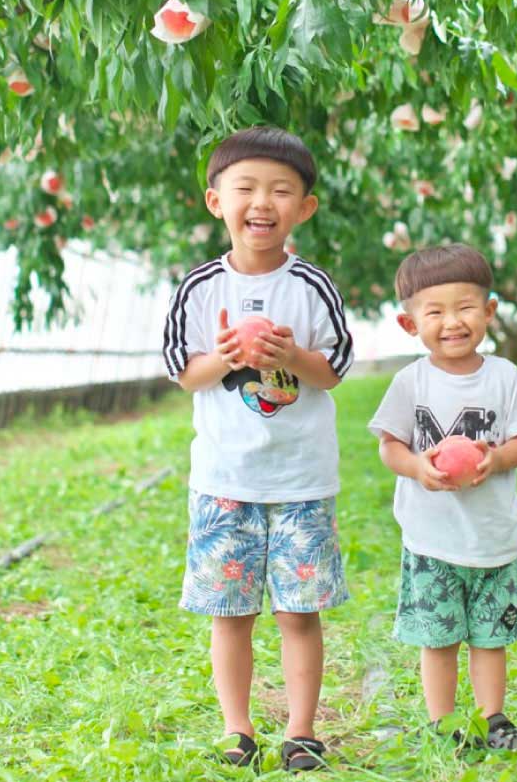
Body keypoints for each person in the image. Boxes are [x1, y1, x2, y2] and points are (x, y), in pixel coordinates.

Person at [162, 127, 354, 773]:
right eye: (245, 188)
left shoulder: (312, 286)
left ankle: (301, 731)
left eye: (281, 190)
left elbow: (334, 370)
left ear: (305, 207)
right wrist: (226, 357)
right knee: (231, 613)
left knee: (299, 614)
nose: (262, 202)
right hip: (225, 479)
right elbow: (183, 372)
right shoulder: (199, 288)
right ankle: (237, 728)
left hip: (301, 479)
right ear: (216, 201)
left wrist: (290, 355)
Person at [368, 243, 517, 753]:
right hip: (431, 540)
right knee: (438, 638)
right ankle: (443, 723)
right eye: (435, 312)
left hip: (491, 537)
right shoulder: (410, 382)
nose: (452, 322)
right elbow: (390, 446)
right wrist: (418, 468)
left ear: (489, 311)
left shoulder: (504, 376)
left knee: (490, 637)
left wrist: (496, 459)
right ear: (409, 324)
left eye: (465, 308)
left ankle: (493, 720)